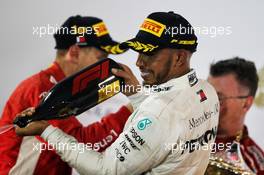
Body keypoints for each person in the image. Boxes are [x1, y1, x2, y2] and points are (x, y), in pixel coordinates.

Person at [15, 11, 220, 174]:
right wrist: (139, 100)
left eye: (148, 53)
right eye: (102, 54)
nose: (138, 62)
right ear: (75, 52)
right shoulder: (207, 91)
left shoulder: (158, 113)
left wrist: (46, 131)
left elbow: (104, 168)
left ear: (179, 58)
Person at [0, 15, 132, 175]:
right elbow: (83, 144)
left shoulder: (58, 87)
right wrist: (132, 108)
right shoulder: (41, 87)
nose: (105, 65)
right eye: (101, 58)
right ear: (75, 53)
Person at [207, 57, 264, 174]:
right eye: (206, 94)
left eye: (219, 98)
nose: (207, 103)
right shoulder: (179, 135)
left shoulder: (253, 165)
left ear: (246, 104)